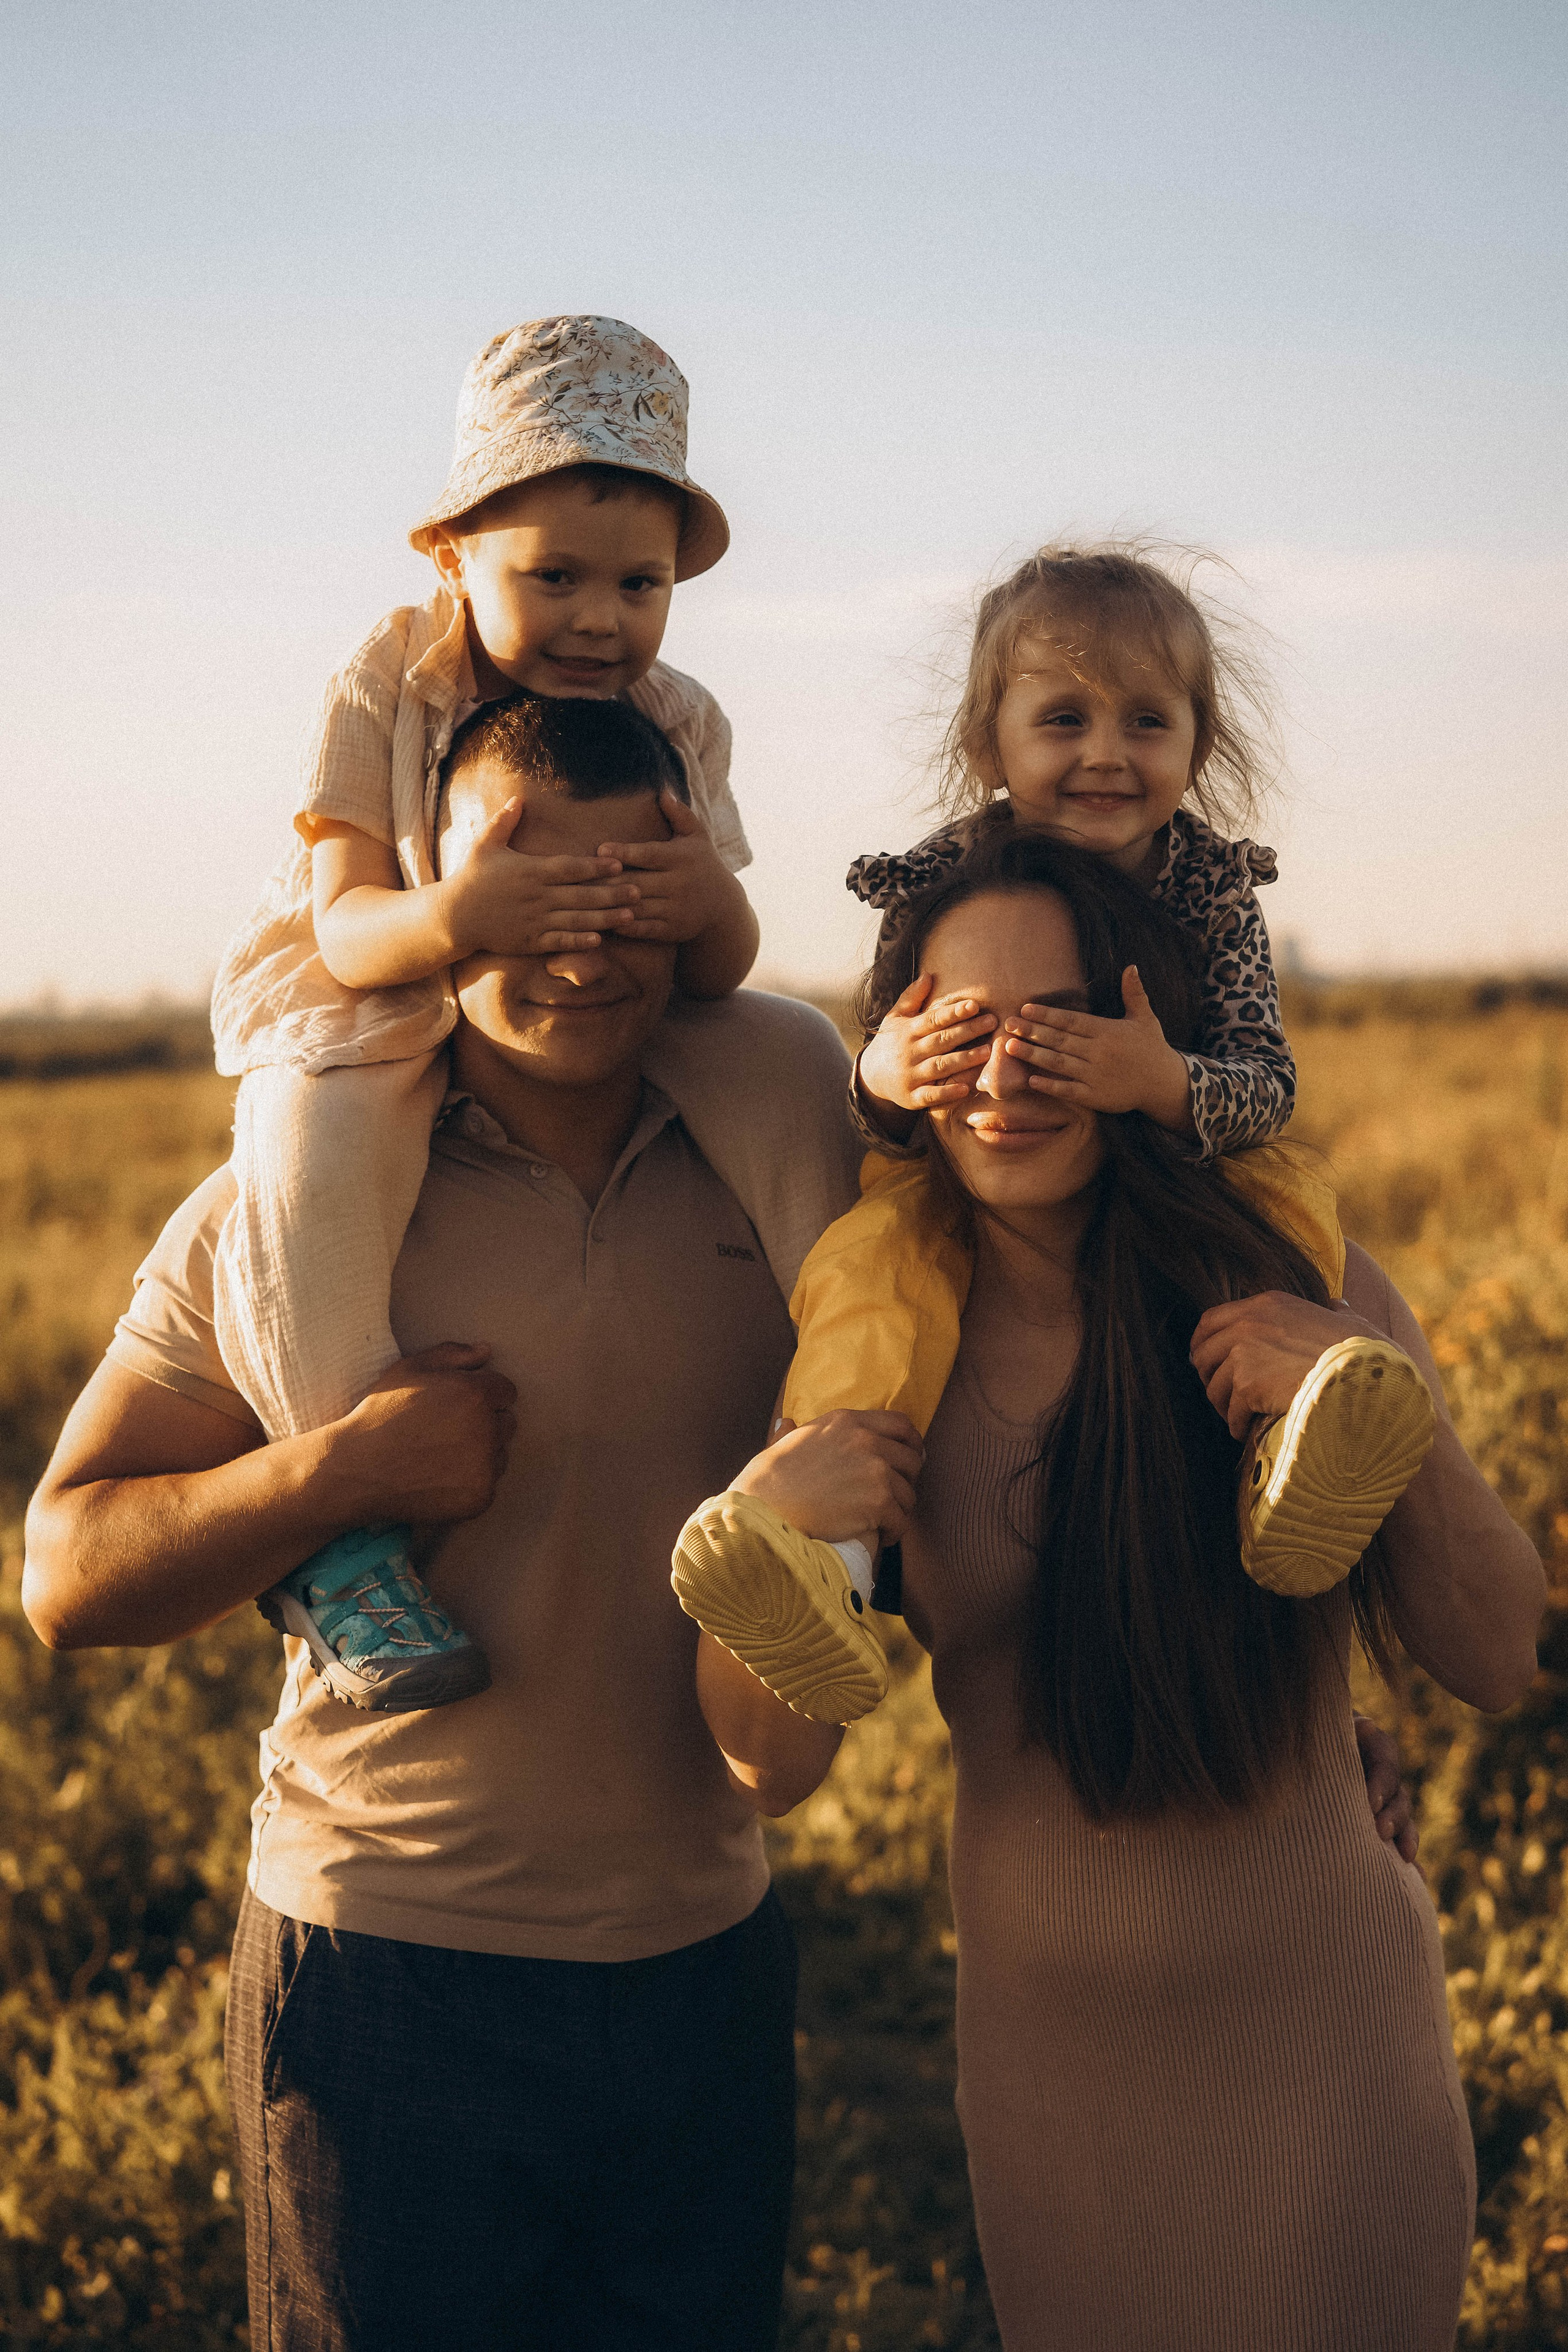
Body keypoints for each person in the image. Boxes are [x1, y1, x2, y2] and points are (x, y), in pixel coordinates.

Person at [22, 699, 859, 2352]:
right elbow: (65, 1570)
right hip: (382, 1969)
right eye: (526, 887)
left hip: (706, 1968)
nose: (577, 947)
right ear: (433, 883)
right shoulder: (302, 1200)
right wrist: (339, 1476)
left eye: (625, 895)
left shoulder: (788, 1169)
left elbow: (956, 1436)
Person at [689, 833, 1545, 2351]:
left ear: (1147, 1034)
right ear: (892, 1056)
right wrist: (761, 1516)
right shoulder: (879, 1352)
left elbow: (1489, 1654)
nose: (1008, 1075)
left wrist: (1380, 1398)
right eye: (960, 1028)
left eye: (1058, 1025)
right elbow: (769, 1764)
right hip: (1056, 2074)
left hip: (1331, 2042)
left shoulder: (1282, 1274)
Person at [672, 545, 1434, 1724]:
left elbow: (1266, 1087)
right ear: (991, 745)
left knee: (1290, 1197)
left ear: (1198, 740)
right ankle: (836, 1563)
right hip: (951, 1188)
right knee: (866, 1281)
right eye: (1064, 716)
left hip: (1186, 1169)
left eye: (1146, 720)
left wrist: (1160, 1078)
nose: (1105, 754)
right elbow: (887, 1077)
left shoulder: (1213, 890)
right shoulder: (937, 883)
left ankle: (1295, 1443)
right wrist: (880, 1074)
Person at [208, 311, 805, 1713]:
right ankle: (345, 1535)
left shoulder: (681, 716)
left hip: (622, 995)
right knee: (301, 1147)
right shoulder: (385, 681)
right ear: (451, 555)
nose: (602, 619)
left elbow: (722, 961)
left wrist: (691, 897)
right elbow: (350, 920)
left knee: (795, 1056)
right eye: (555, 577)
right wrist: (456, 919)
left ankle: (850, 1419)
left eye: (639, 585)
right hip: (392, 984)